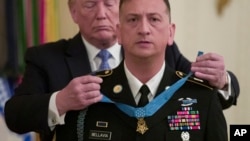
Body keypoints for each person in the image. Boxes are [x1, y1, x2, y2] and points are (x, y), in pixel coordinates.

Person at [4, 0, 233, 140]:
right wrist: (61, 101)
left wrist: (223, 81)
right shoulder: (45, 58)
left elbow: (200, 98)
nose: (101, 13)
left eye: (110, 3)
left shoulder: (161, 51)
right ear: (73, 11)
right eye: (90, 4)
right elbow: (15, 115)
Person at [73, 0, 228, 140]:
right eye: (133, 19)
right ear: (118, 33)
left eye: (154, 19)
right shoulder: (91, 93)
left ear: (170, 32)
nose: (144, 29)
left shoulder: (202, 97)